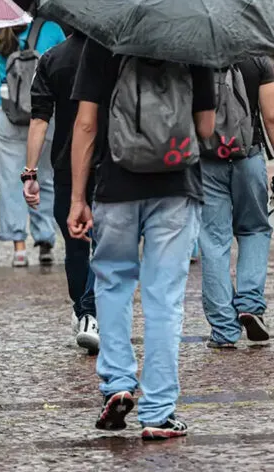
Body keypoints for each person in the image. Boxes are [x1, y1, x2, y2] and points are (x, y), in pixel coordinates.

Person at [68, 38, 215, 440]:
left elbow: (86, 123)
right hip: (177, 185)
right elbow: (205, 128)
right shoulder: (192, 42)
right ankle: (158, 412)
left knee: (112, 284)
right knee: (164, 297)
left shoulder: (103, 41)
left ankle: (116, 384)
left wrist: (78, 198)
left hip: (115, 185)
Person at [199, 57, 274, 348]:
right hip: (248, 158)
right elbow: (273, 116)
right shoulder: (257, 60)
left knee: (214, 242)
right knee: (254, 230)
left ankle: (224, 330)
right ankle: (250, 304)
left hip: (207, 160)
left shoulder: (197, 55)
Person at [22, 30, 98, 352]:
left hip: (68, 163)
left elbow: (39, 119)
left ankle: (85, 311)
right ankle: (90, 312)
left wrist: (30, 171)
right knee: (106, 241)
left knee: (76, 244)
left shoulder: (52, 59)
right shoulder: (110, 54)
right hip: (108, 160)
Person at [0, 19, 65, 266]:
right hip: (43, 114)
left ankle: (19, 248)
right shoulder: (52, 30)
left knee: (11, 181)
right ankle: (45, 239)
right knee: (45, 178)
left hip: (7, 113)